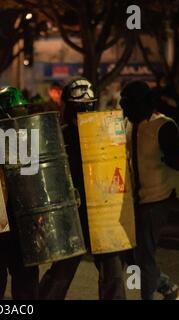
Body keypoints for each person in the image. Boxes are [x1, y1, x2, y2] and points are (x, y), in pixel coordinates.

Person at [39, 77, 127, 300]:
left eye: (85, 105)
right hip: (75, 211)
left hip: (100, 212)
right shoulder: (59, 135)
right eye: (80, 106)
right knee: (64, 270)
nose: (83, 110)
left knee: (110, 271)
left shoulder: (104, 133)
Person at [120, 80, 179, 300]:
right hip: (135, 200)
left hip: (157, 199)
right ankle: (167, 287)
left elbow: (175, 160)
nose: (125, 109)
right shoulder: (128, 124)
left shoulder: (163, 125)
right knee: (132, 255)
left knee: (143, 255)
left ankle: (149, 295)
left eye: (129, 105)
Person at [0, 86, 39, 300]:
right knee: (17, 283)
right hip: (4, 224)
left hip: (5, 224)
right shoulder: (28, 140)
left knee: (3, 283)